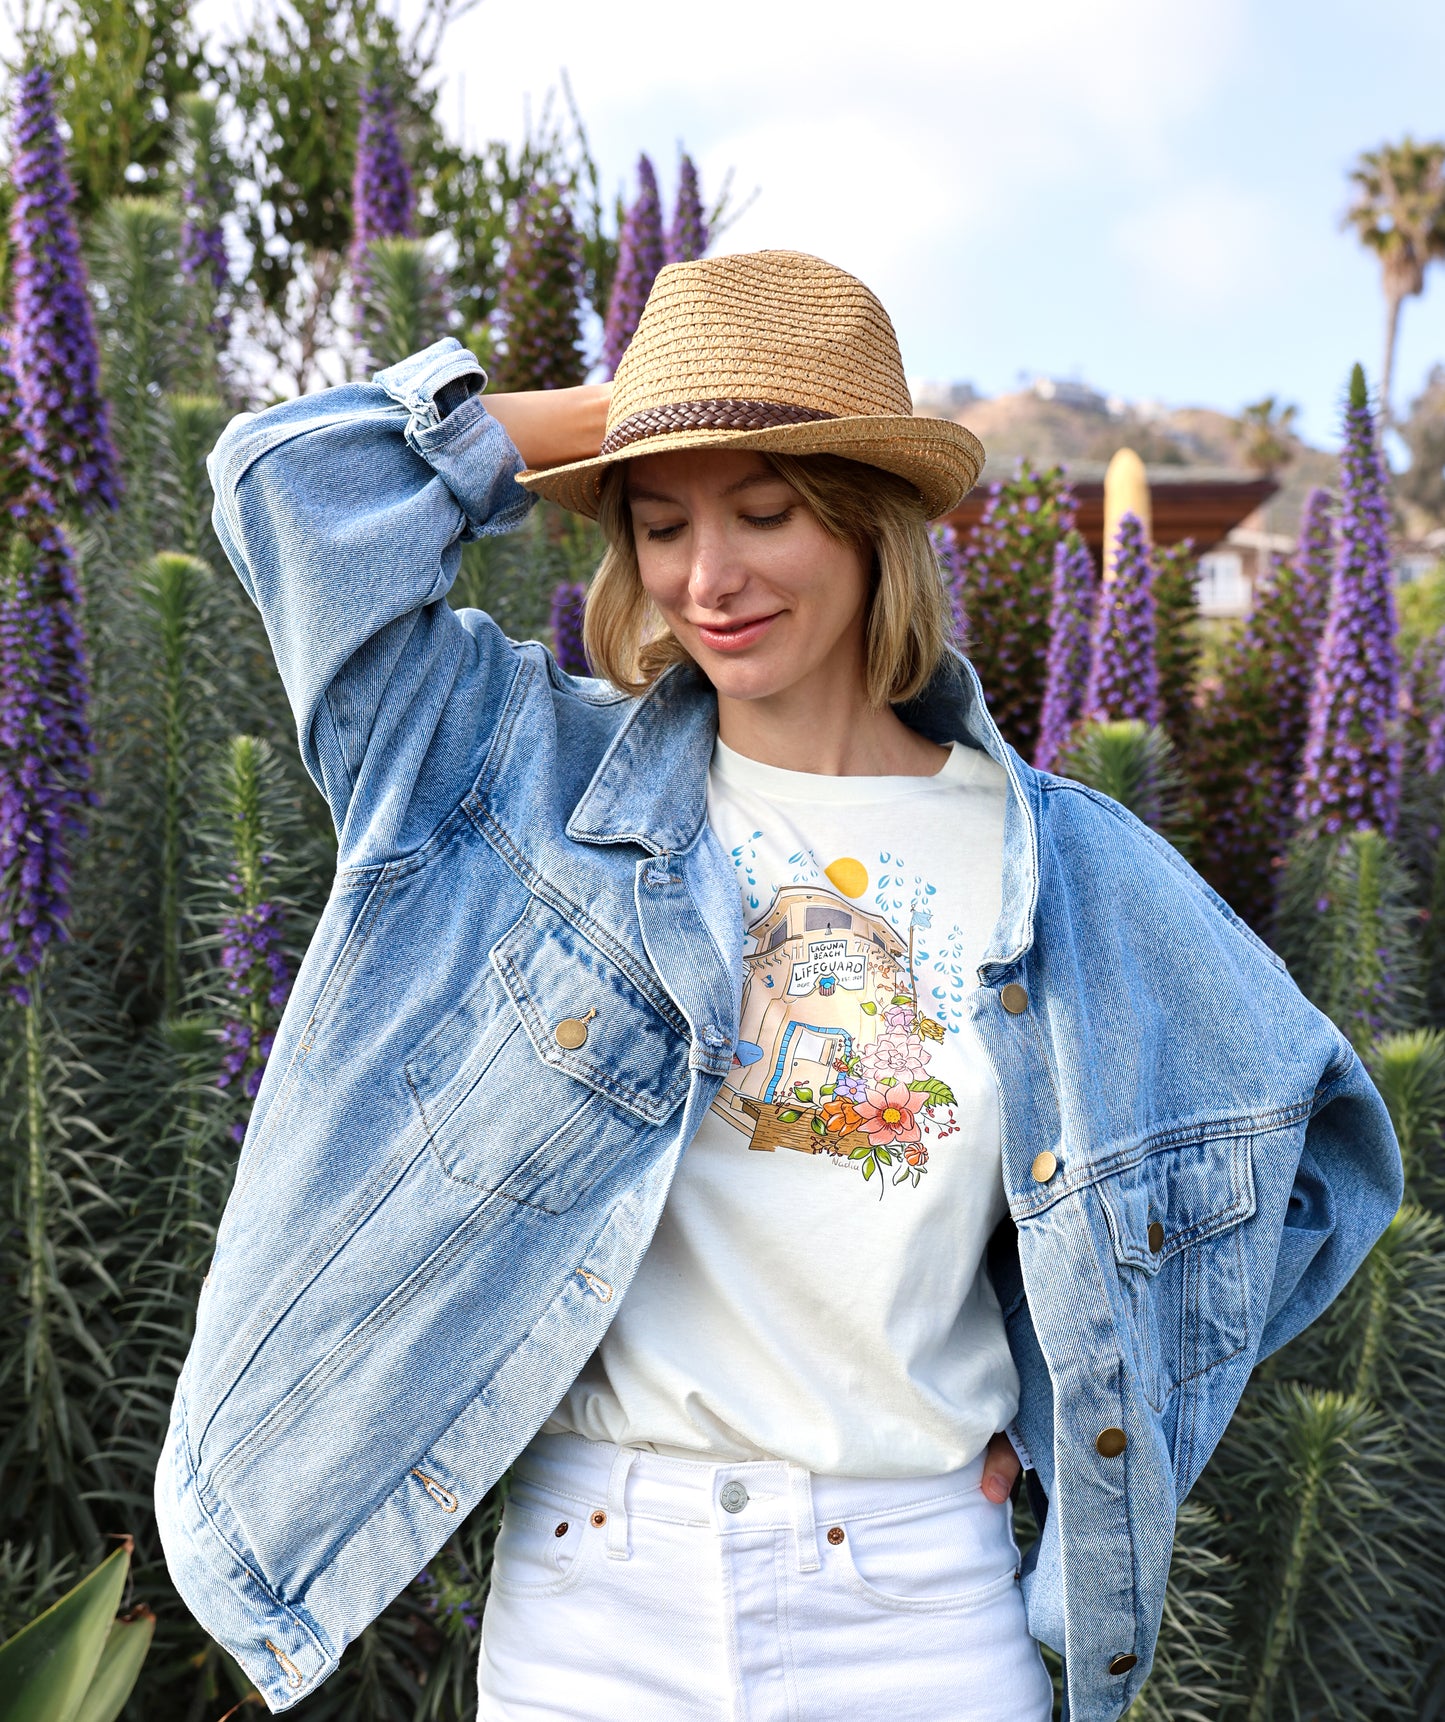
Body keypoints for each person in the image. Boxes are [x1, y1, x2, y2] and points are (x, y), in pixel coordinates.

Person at [155, 250, 1401, 1722]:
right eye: (660, 520)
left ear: (874, 524)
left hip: (914, 1607)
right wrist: (633, 408)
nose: (707, 576)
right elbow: (287, 486)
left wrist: (1070, 1403)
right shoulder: (512, 775)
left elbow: (1318, 1162)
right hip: (592, 1605)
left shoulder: (1067, 867)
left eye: (766, 510)